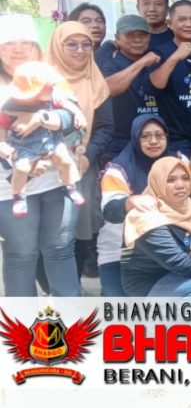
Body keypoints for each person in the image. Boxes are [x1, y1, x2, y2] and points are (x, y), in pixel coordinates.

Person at [0, 13, 81, 296]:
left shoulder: (52, 78)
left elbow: (74, 121)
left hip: (58, 180)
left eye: (25, 43)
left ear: (36, 47)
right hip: (10, 187)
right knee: (21, 254)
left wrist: (47, 118)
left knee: (60, 249)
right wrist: (15, 162)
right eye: (9, 44)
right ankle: (20, 321)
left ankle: (71, 317)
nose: (18, 50)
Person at [45, 21, 113, 279]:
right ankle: (52, 287)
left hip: (82, 164)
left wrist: (88, 156)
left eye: (86, 44)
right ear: (57, 46)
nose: (81, 50)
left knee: (82, 230)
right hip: (44, 167)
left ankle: (70, 286)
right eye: (71, 45)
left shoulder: (95, 80)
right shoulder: (41, 79)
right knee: (47, 233)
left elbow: (106, 126)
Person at [122, 157, 191, 297]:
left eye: (185, 178)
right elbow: (178, 261)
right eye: (171, 180)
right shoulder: (145, 216)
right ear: (158, 182)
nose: (180, 185)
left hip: (178, 274)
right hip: (149, 282)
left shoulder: (188, 206)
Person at [97, 114, 180, 296]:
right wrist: (130, 202)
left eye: (159, 135)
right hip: (120, 252)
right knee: (119, 308)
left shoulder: (178, 164)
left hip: (166, 251)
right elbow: (110, 211)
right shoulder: (118, 169)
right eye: (145, 136)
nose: (153, 141)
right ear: (135, 138)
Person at [1, 62, 86, 216]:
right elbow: (3, 126)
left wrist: (76, 115)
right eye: (48, 87)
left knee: (66, 161)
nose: (52, 89)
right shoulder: (9, 105)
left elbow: (76, 128)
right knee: (22, 168)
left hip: (50, 146)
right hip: (22, 149)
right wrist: (4, 145)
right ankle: (18, 196)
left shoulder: (52, 97)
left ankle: (70, 187)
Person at [149, 0, 191, 157]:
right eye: (182, 19)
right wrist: (175, 57)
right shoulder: (160, 52)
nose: (189, 24)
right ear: (169, 23)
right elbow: (155, 85)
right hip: (175, 138)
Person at [99, 14, 161, 161]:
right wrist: (142, 62)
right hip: (121, 141)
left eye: (142, 35)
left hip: (155, 140)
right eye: (130, 35)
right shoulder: (112, 63)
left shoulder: (158, 60)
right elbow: (110, 89)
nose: (137, 40)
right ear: (117, 38)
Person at [94, 0, 174, 61]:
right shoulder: (122, 41)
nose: (152, 9)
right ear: (138, 7)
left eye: (158, 4)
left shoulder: (177, 38)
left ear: (167, 9)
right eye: (146, 3)